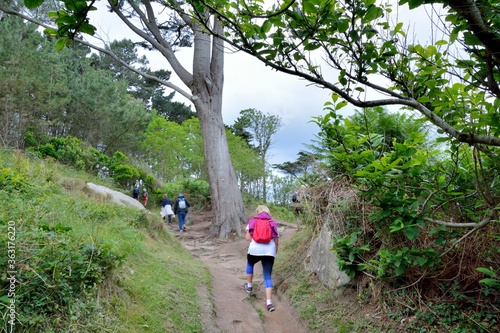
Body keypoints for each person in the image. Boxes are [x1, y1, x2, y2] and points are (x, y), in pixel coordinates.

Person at [243, 205, 279, 312]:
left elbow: (248, 238)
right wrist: (274, 252)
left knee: (250, 264)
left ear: (257, 212)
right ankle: (269, 303)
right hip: (269, 251)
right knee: (267, 275)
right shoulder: (273, 223)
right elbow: (276, 241)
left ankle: (249, 286)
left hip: (255, 249)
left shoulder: (253, 221)